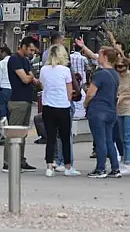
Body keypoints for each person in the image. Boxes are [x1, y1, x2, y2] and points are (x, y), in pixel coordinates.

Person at [81, 42, 122, 179]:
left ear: (105, 56)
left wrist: (86, 104)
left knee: (100, 140)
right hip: (111, 110)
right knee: (109, 140)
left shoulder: (100, 74)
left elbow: (91, 93)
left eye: (99, 54)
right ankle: (115, 168)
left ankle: (100, 168)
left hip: (98, 110)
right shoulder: (115, 74)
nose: (98, 56)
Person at [39, 44, 80, 177]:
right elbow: (69, 92)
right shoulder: (65, 70)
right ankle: (68, 167)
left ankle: (49, 166)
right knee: (65, 138)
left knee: (51, 138)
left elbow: (42, 85)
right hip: (62, 106)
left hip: (48, 107)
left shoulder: (44, 70)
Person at [3, 36, 40, 173]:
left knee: (23, 134)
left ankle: (20, 160)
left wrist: (31, 78)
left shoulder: (25, 60)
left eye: (34, 51)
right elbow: (25, 79)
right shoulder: (14, 59)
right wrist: (30, 77)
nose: (32, 53)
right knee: (14, 133)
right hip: (17, 101)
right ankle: (8, 162)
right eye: (31, 50)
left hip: (27, 100)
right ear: (23, 46)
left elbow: (32, 78)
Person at [0, 46, 13, 145]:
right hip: (13, 91)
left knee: (2, 113)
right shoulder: (15, 63)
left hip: (3, 90)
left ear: (4, 52)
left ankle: (2, 136)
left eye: (0, 53)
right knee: (11, 114)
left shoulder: (1, 63)